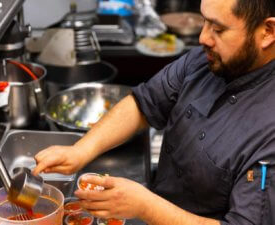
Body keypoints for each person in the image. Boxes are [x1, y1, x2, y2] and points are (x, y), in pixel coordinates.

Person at [33, 0, 275, 224]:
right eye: (205, 21)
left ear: (268, 32)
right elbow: (144, 102)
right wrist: (80, 150)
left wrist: (145, 206)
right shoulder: (207, 59)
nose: (203, 37)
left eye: (219, 29)